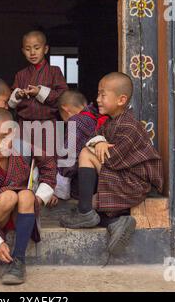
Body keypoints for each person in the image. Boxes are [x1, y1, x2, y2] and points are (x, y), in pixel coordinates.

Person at [60, 72, 163, 255]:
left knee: (85, 154)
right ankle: (115, 223)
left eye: (103, 95)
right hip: (122, 180)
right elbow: (94, 138)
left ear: (121, 100)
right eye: (98, 94)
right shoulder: (110, 123)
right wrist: (98, 140)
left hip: (133, 184)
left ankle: (85, 213)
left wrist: (94, 145)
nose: (97, 99)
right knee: (90, 204)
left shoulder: (129, 126)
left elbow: (113, 160)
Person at [0, 108, 56, 285]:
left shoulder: (25, 151)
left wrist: (40, 197)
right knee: (8, 197)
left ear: (14, 133)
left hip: (23, 213)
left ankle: (18, 261)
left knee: (26, 196)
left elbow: (49, 165)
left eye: (4, 136)